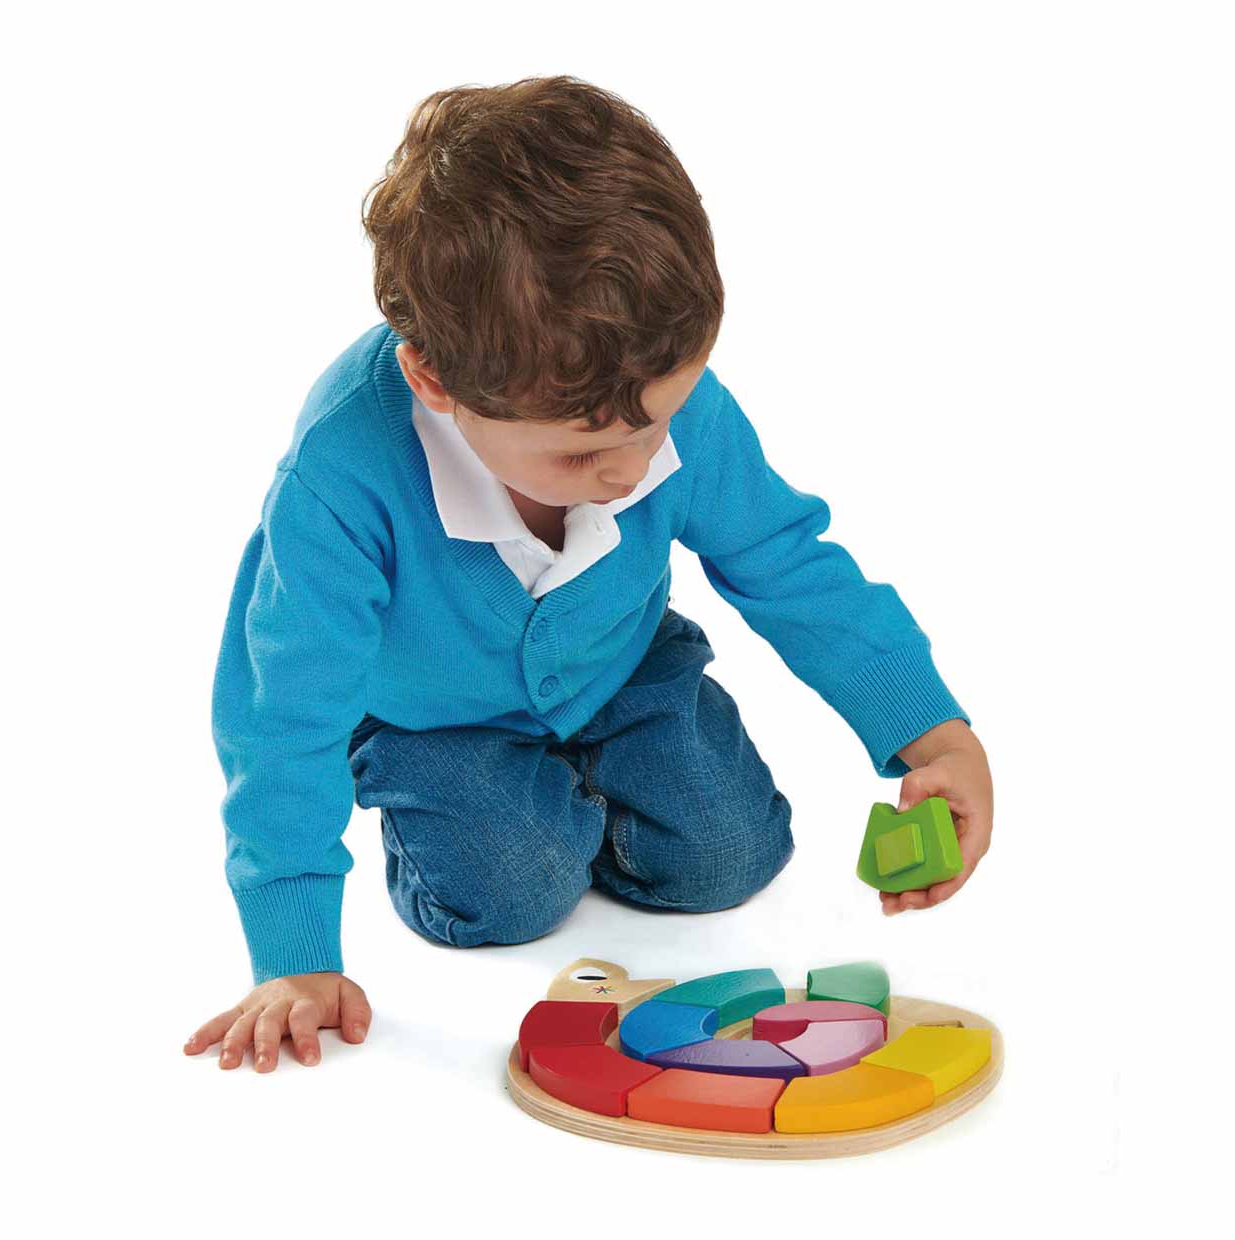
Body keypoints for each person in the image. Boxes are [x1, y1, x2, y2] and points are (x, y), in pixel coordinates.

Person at [185, 75, 993, 1074]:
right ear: (434, 379)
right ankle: (496, 808)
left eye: (657, 425)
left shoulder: (648, 400)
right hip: (432, 719)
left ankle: (598, 783)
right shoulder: (343, 475)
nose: (630, 470)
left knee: (727, 858)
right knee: (509, 893)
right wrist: (294, 953)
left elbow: (786, 561)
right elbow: (280, 710)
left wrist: (930, 734)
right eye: (581, 453)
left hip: (621, 667)